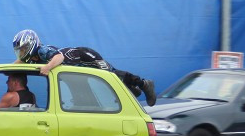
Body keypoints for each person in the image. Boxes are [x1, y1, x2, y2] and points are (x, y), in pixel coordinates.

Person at [12, 29, 157, 106]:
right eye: (20, 50)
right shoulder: (32, 58)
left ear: (32, 44)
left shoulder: (42, 50)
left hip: (85, 56)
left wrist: (48, 67)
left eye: (23, 49)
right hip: (78, 62)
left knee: (111, 75)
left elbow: (59, 57)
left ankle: (144, 84)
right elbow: (18, 62)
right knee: (117, 83)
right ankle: (132, 89)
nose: (22, 53)